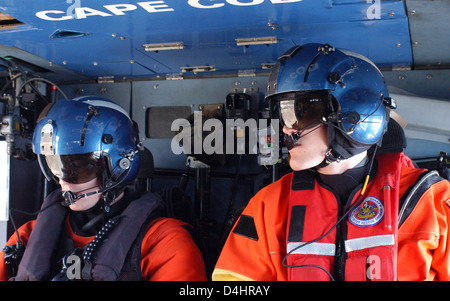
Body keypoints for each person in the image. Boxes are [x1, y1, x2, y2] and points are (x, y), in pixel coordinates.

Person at [212, 43, 450, 281]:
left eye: (302, 113)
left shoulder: (432, 200)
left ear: (354, 114)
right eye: (285, 114)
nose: (286, 127)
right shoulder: (268, 205)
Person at [0, 96, 206, 281]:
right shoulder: (27, 236)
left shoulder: (163, 242)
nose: (64, 180)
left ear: (118, 166)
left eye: (78, 168)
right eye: (55, 165)